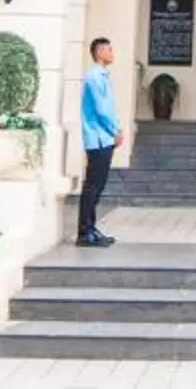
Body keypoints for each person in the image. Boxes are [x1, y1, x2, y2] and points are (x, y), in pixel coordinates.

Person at [76, 36, 119, 247]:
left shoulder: (101, 75)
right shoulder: (94, 76)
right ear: (100, 52)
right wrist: (115, 130)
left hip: (103, 137)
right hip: (98, 138)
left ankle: (91, 227)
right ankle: (85, 232)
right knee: (93, 186)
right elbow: (102, 109)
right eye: (109, 50)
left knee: (97, 186)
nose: (112, 53)